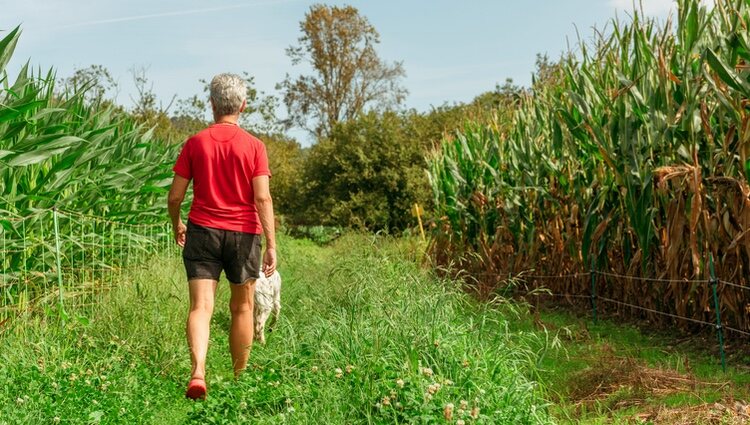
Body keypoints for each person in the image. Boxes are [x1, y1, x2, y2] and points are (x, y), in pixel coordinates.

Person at [167, 73, 276, 400]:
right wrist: (271, 244)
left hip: (202, 231)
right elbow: (262, 198)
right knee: (242, 308)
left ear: (211, 104)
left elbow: (174, 197)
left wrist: (177, 224)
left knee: (201, 307)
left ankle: (198, 371)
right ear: (243, 105)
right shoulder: (255, 147)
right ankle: (240, 379)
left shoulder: (195, 143)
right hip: (243, 236)